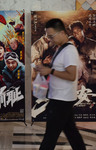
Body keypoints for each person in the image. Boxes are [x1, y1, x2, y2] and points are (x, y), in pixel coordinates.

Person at [37, 18, 86, 150]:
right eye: (48, 37)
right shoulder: (61, 49)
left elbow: (71, 75)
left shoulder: (69, 50)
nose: (50, 40)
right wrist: (45, 70)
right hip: (61, 99)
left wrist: (50, 70)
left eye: (52, 36)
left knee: (50, 138)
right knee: (72, 134)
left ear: (62, 33)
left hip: (61, 101)